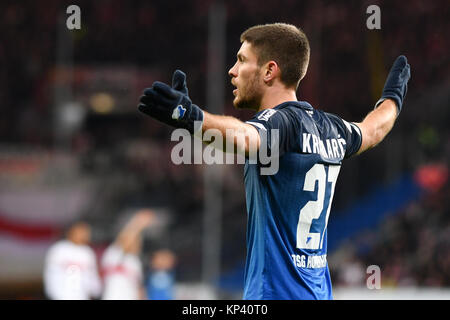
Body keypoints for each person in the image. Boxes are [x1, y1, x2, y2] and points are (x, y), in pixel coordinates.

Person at [137, 23, 410, 299]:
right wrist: (392, 99)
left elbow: (246, 138)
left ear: (269, 71)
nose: (232, 71)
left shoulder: (281, 124)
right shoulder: (333, 128)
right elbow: (373, 130)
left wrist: (189, 117)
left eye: (242, 60)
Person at [101, 209, 155, 300]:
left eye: (137, 242)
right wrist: (137, 223)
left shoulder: (135, 261)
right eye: (133, 241)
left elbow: (138, 285)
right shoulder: (114, 254)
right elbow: (124, 237)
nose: (135, 243)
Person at [43, 221, 102, 300]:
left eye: (85, 233)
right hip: (61, 296)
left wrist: (96, 291)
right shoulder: (59, 249)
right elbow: (51, 274)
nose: (83, 235)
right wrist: (54, 294)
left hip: (81, 296)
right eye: (80, 232)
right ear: (71, 232)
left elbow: (92, 276)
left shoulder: (88, 252)